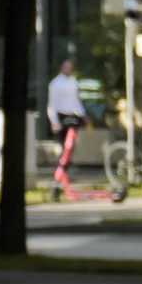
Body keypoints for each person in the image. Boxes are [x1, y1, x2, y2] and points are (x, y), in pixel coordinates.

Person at [46, 58, 87, 188]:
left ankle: (64, 174)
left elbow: (76, 101)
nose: (69, 70)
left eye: (70, 67)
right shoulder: (55, 84)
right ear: (61, 68)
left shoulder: (73, 82)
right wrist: (54, 121)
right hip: (62, 117)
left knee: (70, 147)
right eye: (66, 67)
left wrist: (83, 116)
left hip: (72, 117)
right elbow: (52, 104)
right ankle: (59, 175)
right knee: (65, 147)